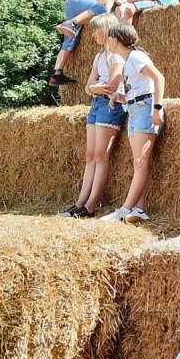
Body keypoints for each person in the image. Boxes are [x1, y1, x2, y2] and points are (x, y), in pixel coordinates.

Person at [56, 13, 125, 218]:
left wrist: (94, 88)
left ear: (105, 31)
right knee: (90, 156)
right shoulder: (98, 57)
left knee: (101, 155)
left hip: (111, 105)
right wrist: (95, 88)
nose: (93, 34)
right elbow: (88, 87)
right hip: (96, 104)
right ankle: (79, 203)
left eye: (96, 30)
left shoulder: (117, 57)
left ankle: (90, 206)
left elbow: (111, 86)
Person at [99, 23, 165, 224]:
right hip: (135, 109)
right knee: (139, 162)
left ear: (115, 40)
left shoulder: (136, 57)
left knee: (140, 161)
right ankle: (140, 208)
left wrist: (157, 108)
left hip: (145, 108)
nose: (108, 41)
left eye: (109, 37)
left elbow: (158, 78)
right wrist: (117, 97)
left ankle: (125, 209)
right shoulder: (128, 61)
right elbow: (134, 92)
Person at [49, 0, 122, 86]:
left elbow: (93, 8)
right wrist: (106, 13)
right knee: (103, 10)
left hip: (71, 2)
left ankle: (57, 74)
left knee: (70, 38)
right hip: (81, 0)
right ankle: (71, 23)